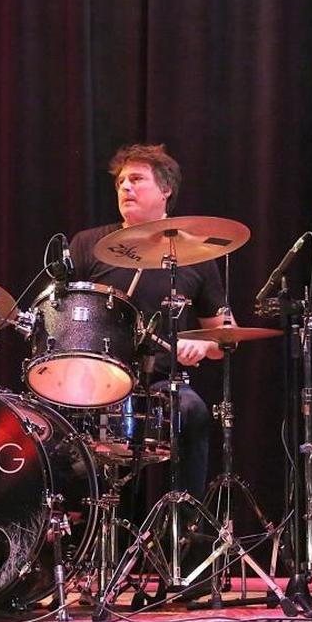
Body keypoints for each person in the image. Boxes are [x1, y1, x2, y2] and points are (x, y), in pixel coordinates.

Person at [68, 144, 234, 501]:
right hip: (92, 381)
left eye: (137, 179)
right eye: (121, 182)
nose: (125, 187)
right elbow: (60, 314)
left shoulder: (196, 256)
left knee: (193, 412)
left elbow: (225, 334)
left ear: (165, 190)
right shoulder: (88, 244)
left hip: (159, 384)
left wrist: (205, 344)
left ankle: (184, 531)